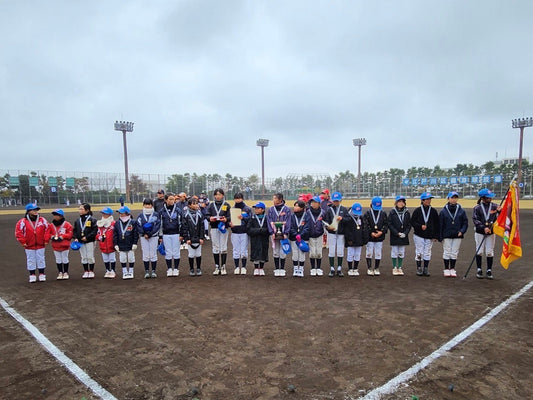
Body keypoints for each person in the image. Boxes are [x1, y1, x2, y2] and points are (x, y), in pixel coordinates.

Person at [15, 204, 49, 283]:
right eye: (33, 210)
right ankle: (32, 275)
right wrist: (22, 241)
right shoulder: (22, 222)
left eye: (36, 210)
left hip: (40, 244)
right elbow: (18, 232)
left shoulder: (42, 220)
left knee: (41, 259)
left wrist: (46, 239)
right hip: (29, 245)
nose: (35, 211)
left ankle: (42, 274)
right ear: (28, 211)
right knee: (31, 260)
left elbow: (48, 230)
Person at [472, 188, 501, 279]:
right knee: (479, 251)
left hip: (491, 233)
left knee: (489, 252)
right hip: (480, 232)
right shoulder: (477, 208)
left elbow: (501, 218)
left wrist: (500, 212)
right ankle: (479, 269)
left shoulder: (495, 206)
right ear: (483, 198)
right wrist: (483, 228)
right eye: (488, 197)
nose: (490, 199)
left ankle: (489, 270)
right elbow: (475, 220)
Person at [439, 192, 468, 278]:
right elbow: (440, 224)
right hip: (446, 235)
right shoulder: (443, 211)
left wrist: (462, 231)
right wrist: (440, 236)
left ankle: (452, 268)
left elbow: (465, 223)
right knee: (447, 251)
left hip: (457, 235)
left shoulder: (461, 211)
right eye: (452, 198)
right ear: (448, 199)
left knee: (454, 252)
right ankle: (446, 269)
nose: (454, 199)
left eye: (455, 198)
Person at [411, 192, 440, 276]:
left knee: (427, 252)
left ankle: (426, 268)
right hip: (419, 235)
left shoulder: (433, 211)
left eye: (430, 199)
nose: (429, 201)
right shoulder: (417, 210)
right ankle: (419, 268)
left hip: (429, 235)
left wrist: (435, 236)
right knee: (419, 251)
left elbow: (437, 224)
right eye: (427, 199)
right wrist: (420, 226)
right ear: (422, 200)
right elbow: (412, 222)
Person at [206, 188, 232, 275]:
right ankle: (217, 266)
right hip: (214, 228)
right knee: (216, 247)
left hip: (223, 228)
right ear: (214, 196)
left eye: (220, 194)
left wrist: (226, 219)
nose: (218, 196)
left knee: (223, 247)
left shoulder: (227, 205)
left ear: (223, 195)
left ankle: (223, 266)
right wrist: (210, 218)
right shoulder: (211, 205)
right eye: (216, 194)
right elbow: (207, 215)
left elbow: (230, 216)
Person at [323, 191, 348, 277]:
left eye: (337, 200)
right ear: (332, 201)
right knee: (332, 251)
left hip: (341, 233)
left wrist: (342, 219)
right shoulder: (329, 210)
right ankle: (332, 268)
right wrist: (328, 227)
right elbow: (326, 221)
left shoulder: (344, 210)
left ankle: (339, 268)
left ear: (341, 200)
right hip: (332, 233)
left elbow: (348, 220)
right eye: (334, 201)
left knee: (340, 251)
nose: (336, 202)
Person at [267, 192, 292, 277]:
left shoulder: (287, 209)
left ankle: (282, 268)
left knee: (283, 250)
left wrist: (286, 233)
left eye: (275, 198)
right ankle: (277, 268)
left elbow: (288, 221)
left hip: (283, 233)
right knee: (275, 250)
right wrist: (272, 232)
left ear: (280, 200)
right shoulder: (270, 209)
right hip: (274, 233)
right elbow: (269, 221)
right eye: (273, 198)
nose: (273, 200)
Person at [136, 199, 161, 279]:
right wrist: (144, 233)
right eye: (146, 204)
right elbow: (138, 225)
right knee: (146, 254)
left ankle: (153, 271)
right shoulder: (140, 215)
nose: (147, 206)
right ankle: (147, 271)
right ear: (143, 205)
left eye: (149, 204)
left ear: (152, 205)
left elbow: (158, 225)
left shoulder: (156, 215)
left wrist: (151, 233)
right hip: (144, 237)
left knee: (153, 253)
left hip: (153, 236)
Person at [363, 196, 388, 276]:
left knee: (378, 252)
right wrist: (371, 232)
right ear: (371, 205)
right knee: (369, 252)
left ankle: (376, 268)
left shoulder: (383, 213)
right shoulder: (367, 213)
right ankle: (369, 268)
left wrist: (382, 232)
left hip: (380, 237)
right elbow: (365, 224)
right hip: (370, 237)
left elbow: (386, 224)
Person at [45, 209, 73, 280]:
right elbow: (48, 233)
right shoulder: (51, 225)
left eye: (57, 215)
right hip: (55, 245)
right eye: (54, 215)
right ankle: (60, 272)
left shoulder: (67, 224)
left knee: (65, 258)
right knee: (58, 259)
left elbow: (70, 234)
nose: (55, 216)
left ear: (61, 216)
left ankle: (66, 272)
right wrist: (52, 237)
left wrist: (63, 236)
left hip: (64, 245)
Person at [181, 197, 205, 276]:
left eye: (196, 203)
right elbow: (184, 227)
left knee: (198, 253)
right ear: (189, 205)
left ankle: (198, 268)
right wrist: (187, 238)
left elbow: (202, 227)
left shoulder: (200, 214)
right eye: (194, 204)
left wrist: (201, 237)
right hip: (190, 237)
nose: (196, 205)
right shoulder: (186, 215)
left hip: (198, 237)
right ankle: (191, 269)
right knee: (191, 254)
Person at [73, 202, 98, 279]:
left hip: (90, 241)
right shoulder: (78, 221)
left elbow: (94, 231)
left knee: (90, 256)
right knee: (83, 256)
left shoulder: (92, 220)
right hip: (80, 242)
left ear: (87, 210)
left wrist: (87, 237)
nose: (79, 210)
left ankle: (91, 271)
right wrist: (76, 237)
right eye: (79, 209)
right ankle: (86, 271)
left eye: (81, 209)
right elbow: (75, 230)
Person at [343, 203, 369, 276]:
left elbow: (364, 228)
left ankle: (355, 268)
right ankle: (350, 268)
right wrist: (349, 239)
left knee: (357, 254)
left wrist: (364, 239)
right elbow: (347, 230)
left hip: (359, 239)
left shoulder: (361, 218)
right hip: (351, 240)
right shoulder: (348, 218)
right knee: (350, 254)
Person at [160, 193, 182, 277]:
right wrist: (160, 236)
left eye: (173, 199)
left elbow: (182, 222)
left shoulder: (178, 210)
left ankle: (176, 268)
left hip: (176, 233)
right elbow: (160, 224)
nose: (172, 201)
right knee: (168, 252)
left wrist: (182, 234)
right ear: (166, 200)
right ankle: (169, 269)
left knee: (176, 252)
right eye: (170, 199)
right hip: (166, 234)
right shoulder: (162, 211)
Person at [388, 195, 411, 276]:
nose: (401, 203)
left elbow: (409, 224)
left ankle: (400, 267)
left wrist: (405, 233)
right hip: (395, 235)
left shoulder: (407, 212)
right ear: (396, 203)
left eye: (402, 202)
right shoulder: (392, 212)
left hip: (404, 236)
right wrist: (396, 233)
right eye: (399, 202)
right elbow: (389, 224)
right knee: (394, 251)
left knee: (401, 252)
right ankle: (394, 267)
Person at [230, 193, 252, 275]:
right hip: (235, 232)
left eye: (239, 198)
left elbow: (250, 220)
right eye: (236, 198)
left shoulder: (247, 209)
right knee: (235, 250)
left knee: (244, 250)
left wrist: (243, 218)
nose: (238, 200)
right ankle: (236, 267)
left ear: (242, 199)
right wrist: (230, 224)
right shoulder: (232, 209)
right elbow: (230, 219)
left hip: (244, 232)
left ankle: (243, 267)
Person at [113, 206, 139, 279]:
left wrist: (135, 243)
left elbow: (135, 234)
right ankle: (124, 271)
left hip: (130, 243)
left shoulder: (133, 222)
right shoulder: (117, 223)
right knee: (122, 258)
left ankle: (131, 271)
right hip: (121, 244)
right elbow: (115, 234)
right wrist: (116, 244)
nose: (120, 214)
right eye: (120, 213)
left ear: (127, 213)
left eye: (122, 213)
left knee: (131, 258)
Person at [289, 200, 311, 277]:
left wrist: (301, 235)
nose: (295, 207)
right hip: (294, 238)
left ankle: (301, 269)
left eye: (297, 206)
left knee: (302, 253)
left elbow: (307, 227)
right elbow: (290, 226)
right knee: (295, 253)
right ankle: (295, 269)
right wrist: (295, 234)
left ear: (302, 208)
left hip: (303, 238)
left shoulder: (306, 216)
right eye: (294, 206)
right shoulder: (291, 216)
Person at [248, 202, 269, 276]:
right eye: (255, 208)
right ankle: (256, 268)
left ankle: (261, 268)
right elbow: (249, 229)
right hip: (255, 238)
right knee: (255, 251)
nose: (256, 210)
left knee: (263, 251)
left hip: (264, 238)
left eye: (258, 208)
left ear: (263, 209)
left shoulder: (266, 218)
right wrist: (259, 230)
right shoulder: (252, 218)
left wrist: (263, 231)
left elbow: (269, 229)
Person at [306, 196, 325, 276]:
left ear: (319, 204)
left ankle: (319, 268)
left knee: (319, 252)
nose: (313, 204)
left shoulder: (323, 212)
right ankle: (313, 268)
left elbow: (326, 222)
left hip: (319, 234)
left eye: (315, 202)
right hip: (310, 235)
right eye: (312, 202)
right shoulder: (307, 212)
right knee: (312, 252)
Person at [96, 207, 116, 279]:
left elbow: (116, 233)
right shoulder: (100, 224)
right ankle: (107, 270)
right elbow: (97, 234)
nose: (103, 215)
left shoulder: (113, 223)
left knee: (112, 258)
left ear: (109, 214)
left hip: (111, 244)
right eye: (103, 213)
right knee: (105, 259)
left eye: (105, 213)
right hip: (103, 244)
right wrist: (99, 237)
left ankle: (113, 270)